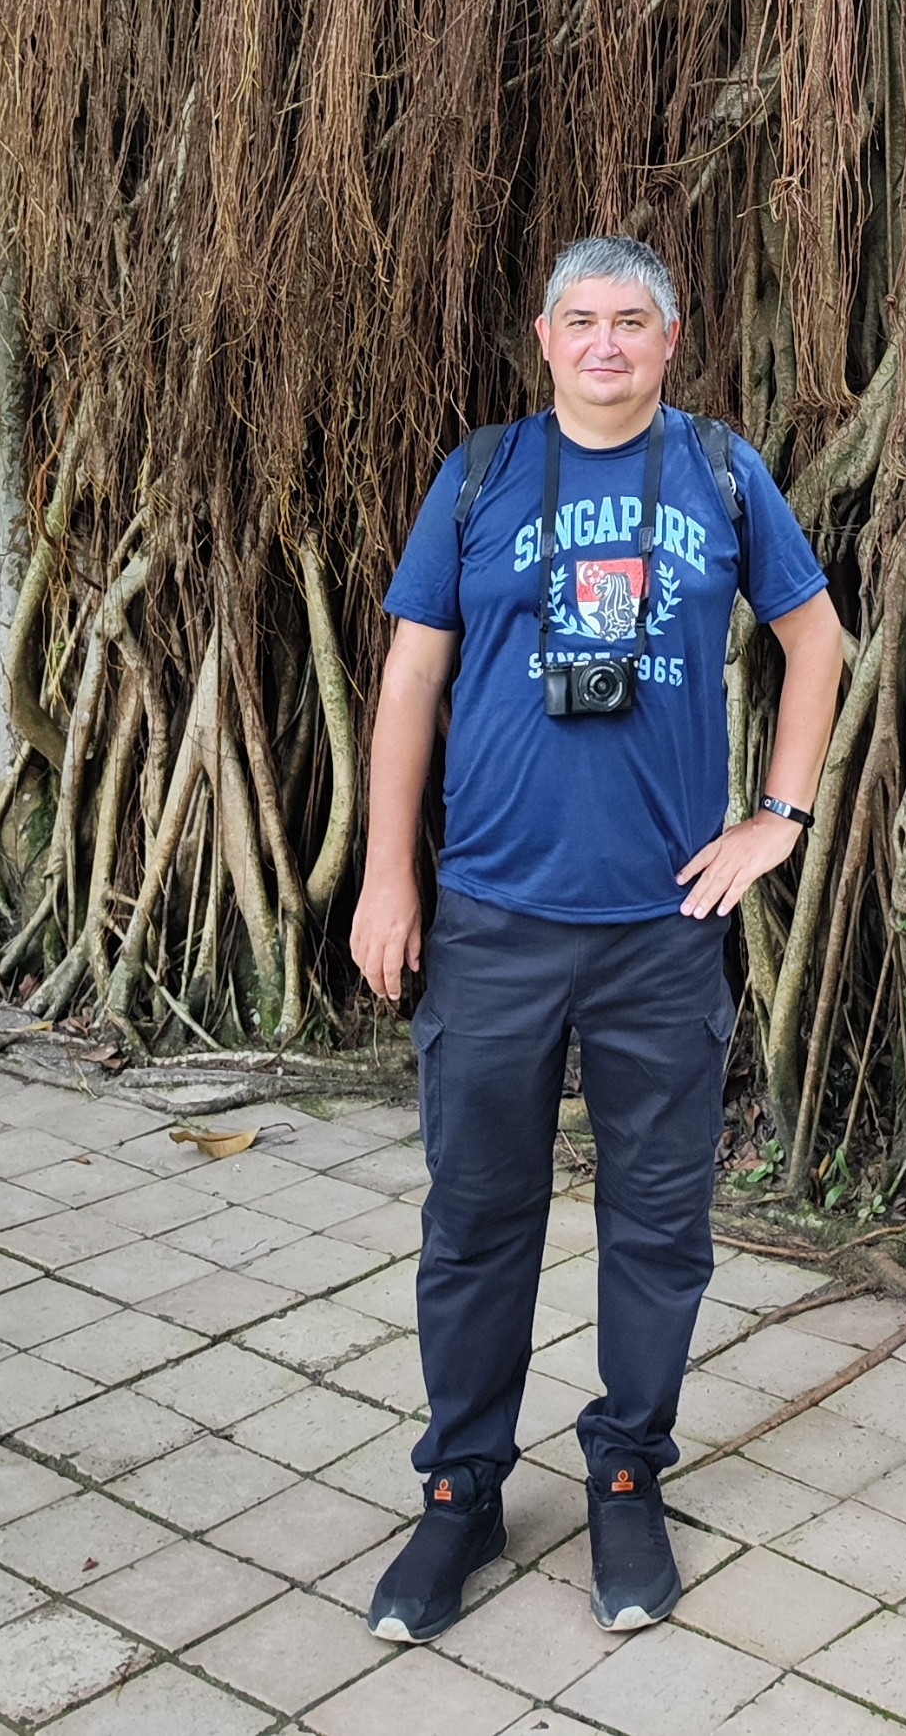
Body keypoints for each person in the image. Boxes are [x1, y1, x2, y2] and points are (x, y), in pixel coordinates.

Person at [351, 235, 844, 1646]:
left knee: (659, 1224)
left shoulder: (724, 475)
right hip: (495, 922)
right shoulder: (482, 476)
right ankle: (459, 1492)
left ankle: (628, 1469)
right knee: (476, 1219)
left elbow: (817, 642)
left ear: (672, 340)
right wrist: (393, 880)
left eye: (634, 321)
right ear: (546, 335)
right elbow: (409, 681)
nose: (609, 343)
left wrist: (779, 818)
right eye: (584, 320)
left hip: (661, 929)